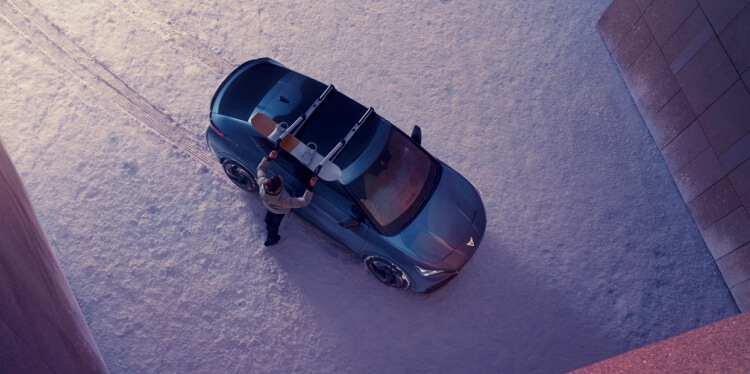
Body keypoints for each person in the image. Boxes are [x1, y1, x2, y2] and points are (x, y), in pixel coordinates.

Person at [257, 150, 318, 246]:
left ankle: (267, 223)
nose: (281, 177)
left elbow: (261, 169)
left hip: (268, 205)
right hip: (279, 212)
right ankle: (271, 239)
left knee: (269, 214)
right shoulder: (284, 200)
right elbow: (304, 201)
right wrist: (310, 187)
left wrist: (269, 158)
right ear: (278, 187)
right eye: (281, 181)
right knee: (275, 224)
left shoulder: (262, 183)